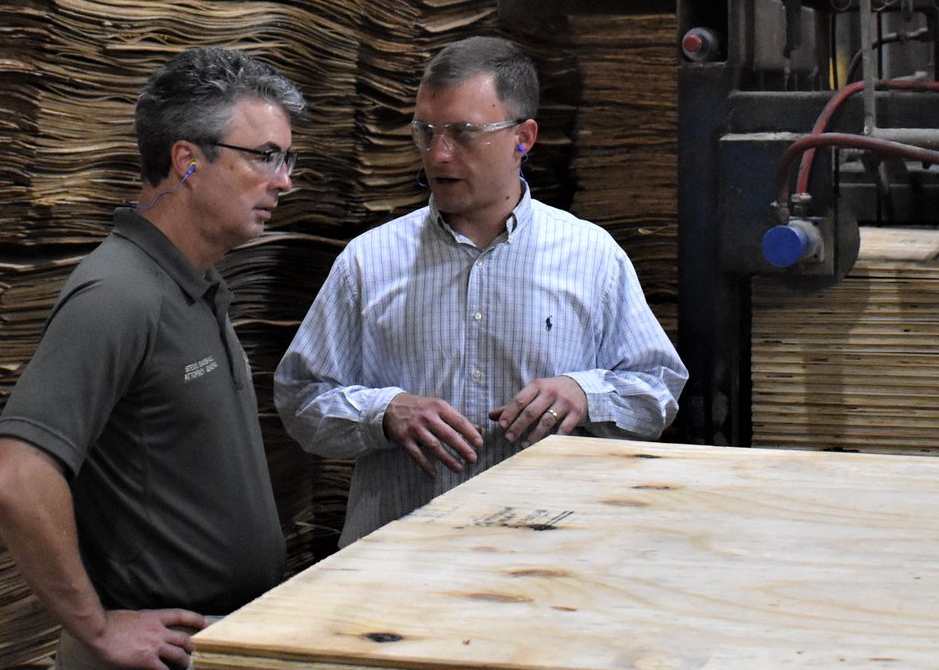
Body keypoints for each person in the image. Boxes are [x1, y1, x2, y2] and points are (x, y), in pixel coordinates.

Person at [0, 47, 302, 670]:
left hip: (207, 664)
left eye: (289, 159)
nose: (284, 180)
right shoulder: (117, 292)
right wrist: (97, 625)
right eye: (264, 156)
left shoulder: (195, 284)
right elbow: (17, 476)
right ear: (187, 160)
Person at [275, 36, 686, 545]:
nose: (439, 154)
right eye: (426, 132)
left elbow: (659, 390)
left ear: (524, 137)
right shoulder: (368, 261)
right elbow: (300, 398)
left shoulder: (591, 256)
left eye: (464, 133)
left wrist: (586, 393)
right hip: (395, 559)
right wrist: (383, 413)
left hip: (545, 558)